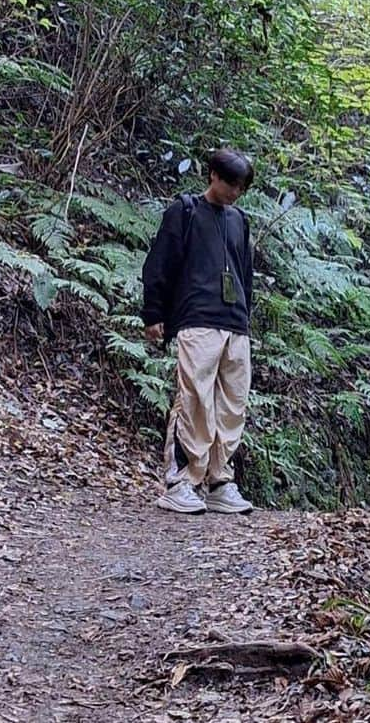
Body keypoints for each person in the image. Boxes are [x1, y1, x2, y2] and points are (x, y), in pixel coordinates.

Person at [141, 148, 256, 514]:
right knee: (194, 400)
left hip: (234, 324)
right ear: (212, 175)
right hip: (197, 319)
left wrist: (244, 317)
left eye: (241, 186)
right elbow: (160, 262)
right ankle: (181, 481)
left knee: (232, 405)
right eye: (231, 183)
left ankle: (220, 479)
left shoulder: (239, 220)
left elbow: (245, 274)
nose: (235, 192)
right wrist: (154, 313)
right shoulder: (185, 211)